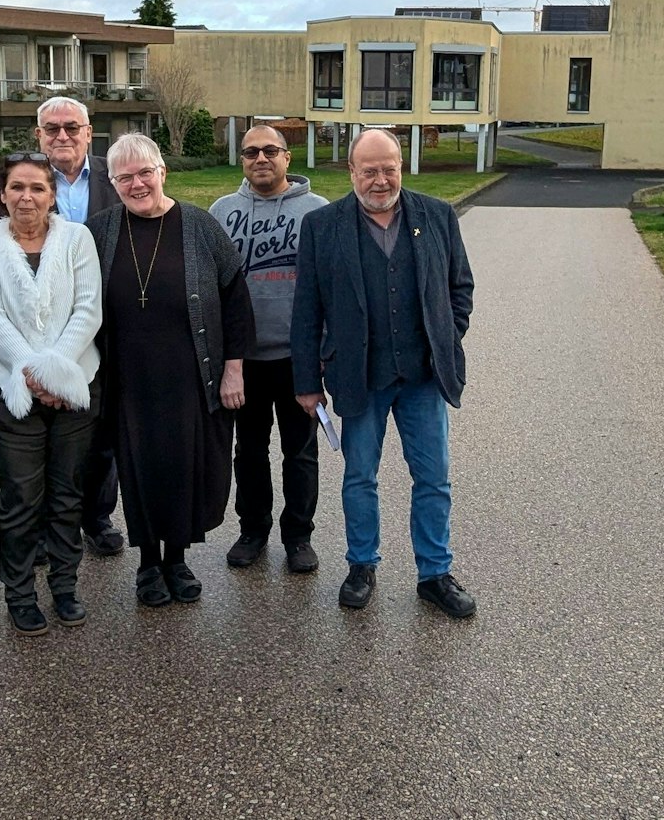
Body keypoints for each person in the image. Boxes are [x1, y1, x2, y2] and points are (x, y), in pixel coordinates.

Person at [290, 128, 478, 619]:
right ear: (351, 170)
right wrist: (307, 381)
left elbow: (461, 286)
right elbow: (307, 310)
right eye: (369, 170)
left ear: (401, 166)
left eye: (388, 168)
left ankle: (435, 573)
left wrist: (445, 334)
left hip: (422, 377)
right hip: (360, 377)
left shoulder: (437, 217)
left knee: (434, 479)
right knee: (359, 478)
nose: (380, 179)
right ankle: (361, 566)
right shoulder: (322, 226)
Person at [86, 134, 253, 607]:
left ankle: (176, 560)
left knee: (182, 467)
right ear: (113, 181)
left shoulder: (200, 226)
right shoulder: (98, 230)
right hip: (124, 376)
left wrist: (234, 369)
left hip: (189, 373)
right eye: (125, 177)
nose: (136, 184)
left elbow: (236, 302)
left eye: (145, 173)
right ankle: (146, 564)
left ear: (163, 172)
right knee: (138, 470)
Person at [0, 152, 105, 636]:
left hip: (74, 389)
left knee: (67, 495)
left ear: (53, 196)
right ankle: (20, 594)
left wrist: (55, 373)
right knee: (22, 497)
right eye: (17, 187)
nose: (27, 197)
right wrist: (34, 374)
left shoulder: (78, 239)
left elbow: (89, 311)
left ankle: (65, 587)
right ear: (3, 194)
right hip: (10, 390)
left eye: (38, 188)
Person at [210, 125, 328, 574]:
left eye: (270, 151)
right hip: (243, 360)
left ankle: (298, 537)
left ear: (287, 158)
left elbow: (331, 290)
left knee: (300, 453)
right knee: (249, 451)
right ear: (242, 160)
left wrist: (322, 354)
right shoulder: (222, 211)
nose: (261, 158)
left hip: (298, 359)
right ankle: (252, 530)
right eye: (251, 152)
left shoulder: (317, 212)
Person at [33, 96, 128, 558]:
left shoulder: (116, 177)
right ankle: (43, 524)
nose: (63, 136)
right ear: (39, 136)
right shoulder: (24, 179)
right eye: (52, 129)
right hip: (41, 326)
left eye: (73, 127)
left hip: (108, 323)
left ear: (90, 133)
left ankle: (97, 516)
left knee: (101, 430)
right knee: (42, 429)